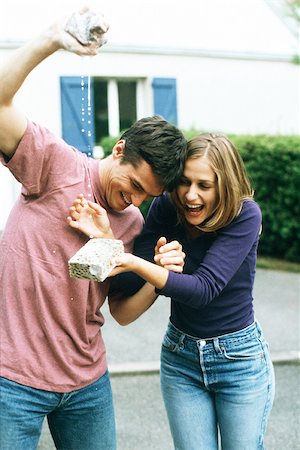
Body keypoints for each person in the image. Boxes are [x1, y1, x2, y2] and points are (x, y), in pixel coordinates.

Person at [0, 8, 187, 450]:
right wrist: (51, 41)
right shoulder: (54, 164)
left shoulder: (133, 222)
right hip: (13, 379)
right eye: (135, 185)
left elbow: (120, 311)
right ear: (120, 149)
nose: (136, 202)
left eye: (148, 196)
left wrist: (157, 277)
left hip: (87, 384)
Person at [69, 133, 275, 450]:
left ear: (224, 186)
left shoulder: (244, 215)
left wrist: (139, 264)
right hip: (182, 359)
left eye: (204, 185)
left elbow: (203, 290)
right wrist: (118, 243)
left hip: (239, 360)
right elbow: (126, 294)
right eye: (184, 182)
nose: (190, 195)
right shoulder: (167, 206)